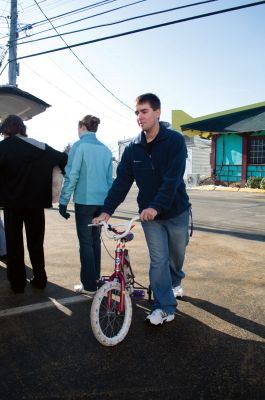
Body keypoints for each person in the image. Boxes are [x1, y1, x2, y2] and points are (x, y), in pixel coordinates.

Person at [93, 93, 191, 325]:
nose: (139, 116)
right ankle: (164, 306)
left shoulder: (175, 141)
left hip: (176, 211)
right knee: (158, 259)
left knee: (177, 256)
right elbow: (121, 182)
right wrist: (106, 210)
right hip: (150, 216)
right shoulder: (132, 149)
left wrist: (157, 205)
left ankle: (175, 280)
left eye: (144, 111)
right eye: (136, 112)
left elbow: (172, 179)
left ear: (157, 112)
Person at [0, 115, 67, 293]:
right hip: (36, 204)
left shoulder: (3, 147)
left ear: (6, 130)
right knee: (36, 243)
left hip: (12, 205)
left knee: (14, 244)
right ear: (22, 128)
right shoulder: (40, 146)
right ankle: (40, 278)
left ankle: (17, 283)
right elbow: (63, 158)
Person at [59, 115, 113, 295]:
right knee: (95, 241)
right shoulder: (106, 150)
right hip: (102, 203)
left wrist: (63, 201)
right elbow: (109, 180)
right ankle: (95, 280)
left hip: (84, 202)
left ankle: (89, 285)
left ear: (82, 127)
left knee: (86, 243)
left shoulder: (79, 146)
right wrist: (108, 206)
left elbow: (72, 175)